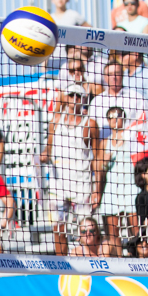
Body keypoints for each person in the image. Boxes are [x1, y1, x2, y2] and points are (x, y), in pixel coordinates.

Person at [41, 84, 99, 225]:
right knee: (58, 228)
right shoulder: (55, 122)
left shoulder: (90, 124)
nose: (75, 98)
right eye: (71, 95)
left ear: (84, 99)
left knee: (86, 228)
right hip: (58, 183)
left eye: (78, 95)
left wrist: (97, 189)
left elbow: (97, 159)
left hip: (82, 183)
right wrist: (43, 156)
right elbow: (48, 149)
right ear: (65, 98)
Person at [95, 106, 140, 244]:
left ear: (123, 118)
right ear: (108, 120)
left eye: (118, 115)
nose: (115, 119)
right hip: (112, 188)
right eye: (112, 116)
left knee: (137, 231)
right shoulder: (104, 143)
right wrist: (104, 162)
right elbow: (99, 169)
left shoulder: (132, 138)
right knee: (113, 235)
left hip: (131, 186)